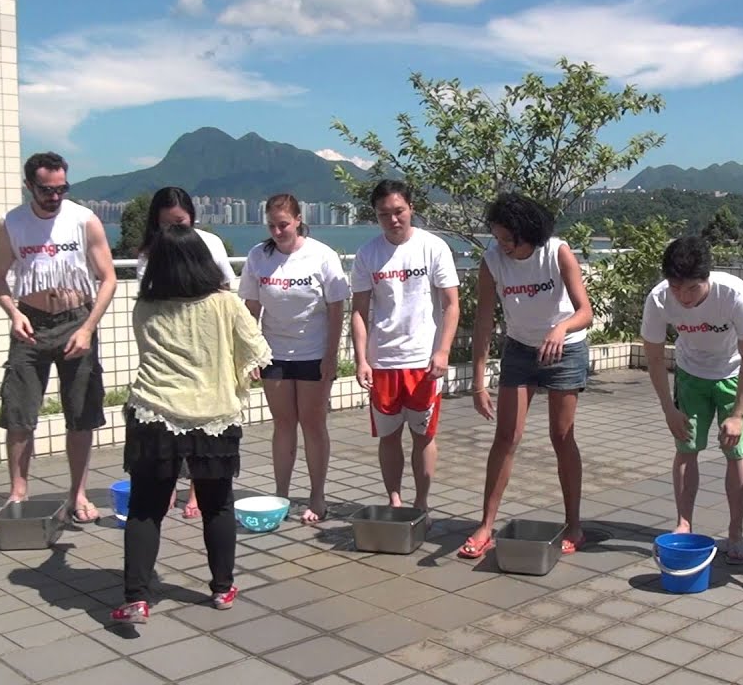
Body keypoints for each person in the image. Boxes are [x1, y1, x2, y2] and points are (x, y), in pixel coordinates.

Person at [112, 224, 272, 624]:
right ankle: (222, 588)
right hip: (213, 416)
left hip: (154, 412)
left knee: (145, 509)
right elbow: (257, 352)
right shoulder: (225, 303)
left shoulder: (145, 306)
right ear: (202, 259)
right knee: (217, 505)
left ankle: (136, 598)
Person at [459, 193, 593, 559]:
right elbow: (484, 320)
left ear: (527, 233)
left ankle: (574, 525)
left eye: (507, 238)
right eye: (497, 237)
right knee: (506, 436)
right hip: (519, 349)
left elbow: (585, 311)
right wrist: (478, 381)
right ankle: (485, 526)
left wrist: (561, 329)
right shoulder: (492, 262)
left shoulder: (556, 252)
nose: (501, 245)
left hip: (564, 348)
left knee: (561, 435)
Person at [0, 152, 117, 527]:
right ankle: (17, 493)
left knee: (80, 413)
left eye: (62, 189)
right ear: (30, 185)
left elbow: (107, 278)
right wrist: (14, 314)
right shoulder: (12, 223)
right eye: (47, 190)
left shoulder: (83, 220)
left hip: (77, 318)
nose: (55, 197)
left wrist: (88, 327)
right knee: (19, 412)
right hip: (31, 322)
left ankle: (77, 492)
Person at [641, 236, 743, 564]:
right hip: (690, 375)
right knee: (686, 447)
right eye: (675, 288)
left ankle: (735, 533)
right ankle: (684, 523)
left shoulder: (734, 294)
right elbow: (653, 359)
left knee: (737, 452)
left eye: (692, 289)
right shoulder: (659, 298)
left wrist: (738, 413)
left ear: (706, 279)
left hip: (735, 375)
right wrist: (668, 409)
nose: (683, 297)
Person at [350, 180, 460, 514]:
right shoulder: (368, 254)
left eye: (399, 211)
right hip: (383, 359)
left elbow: (451, 304)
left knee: (424, 435)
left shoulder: (433, 247)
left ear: (411, 208)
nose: (393, 219)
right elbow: (358, 309)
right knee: (388, 436)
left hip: (423, 360)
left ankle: (422, 503)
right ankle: (394, 499)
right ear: (376, 216)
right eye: (384, 214)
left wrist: (442, 351)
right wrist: (361, 359)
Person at [238, 194, 349, 523]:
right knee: (283, 424)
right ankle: (281, 494)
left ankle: (317, 495)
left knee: (313, 424)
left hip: (313, 352)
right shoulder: (259, 256)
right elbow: (251, 309)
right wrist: (252, 353)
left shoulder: (321, 255)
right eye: (271, 225)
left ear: (299, 220)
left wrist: (331, 357)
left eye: (283, 224)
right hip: (275, 355)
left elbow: (336, 308)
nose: (277, 231)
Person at [136, 186, 237, 520]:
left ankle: (197, 491)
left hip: (206, 349)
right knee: (168, 424)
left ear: (192, 217)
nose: (174, 230)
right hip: (168, 351)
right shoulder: (149, 252)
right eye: (166, 224)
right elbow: (147, 298)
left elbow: (226, 287)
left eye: (179, 222)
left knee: (204, 427)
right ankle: (165, 491)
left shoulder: (210, 243)